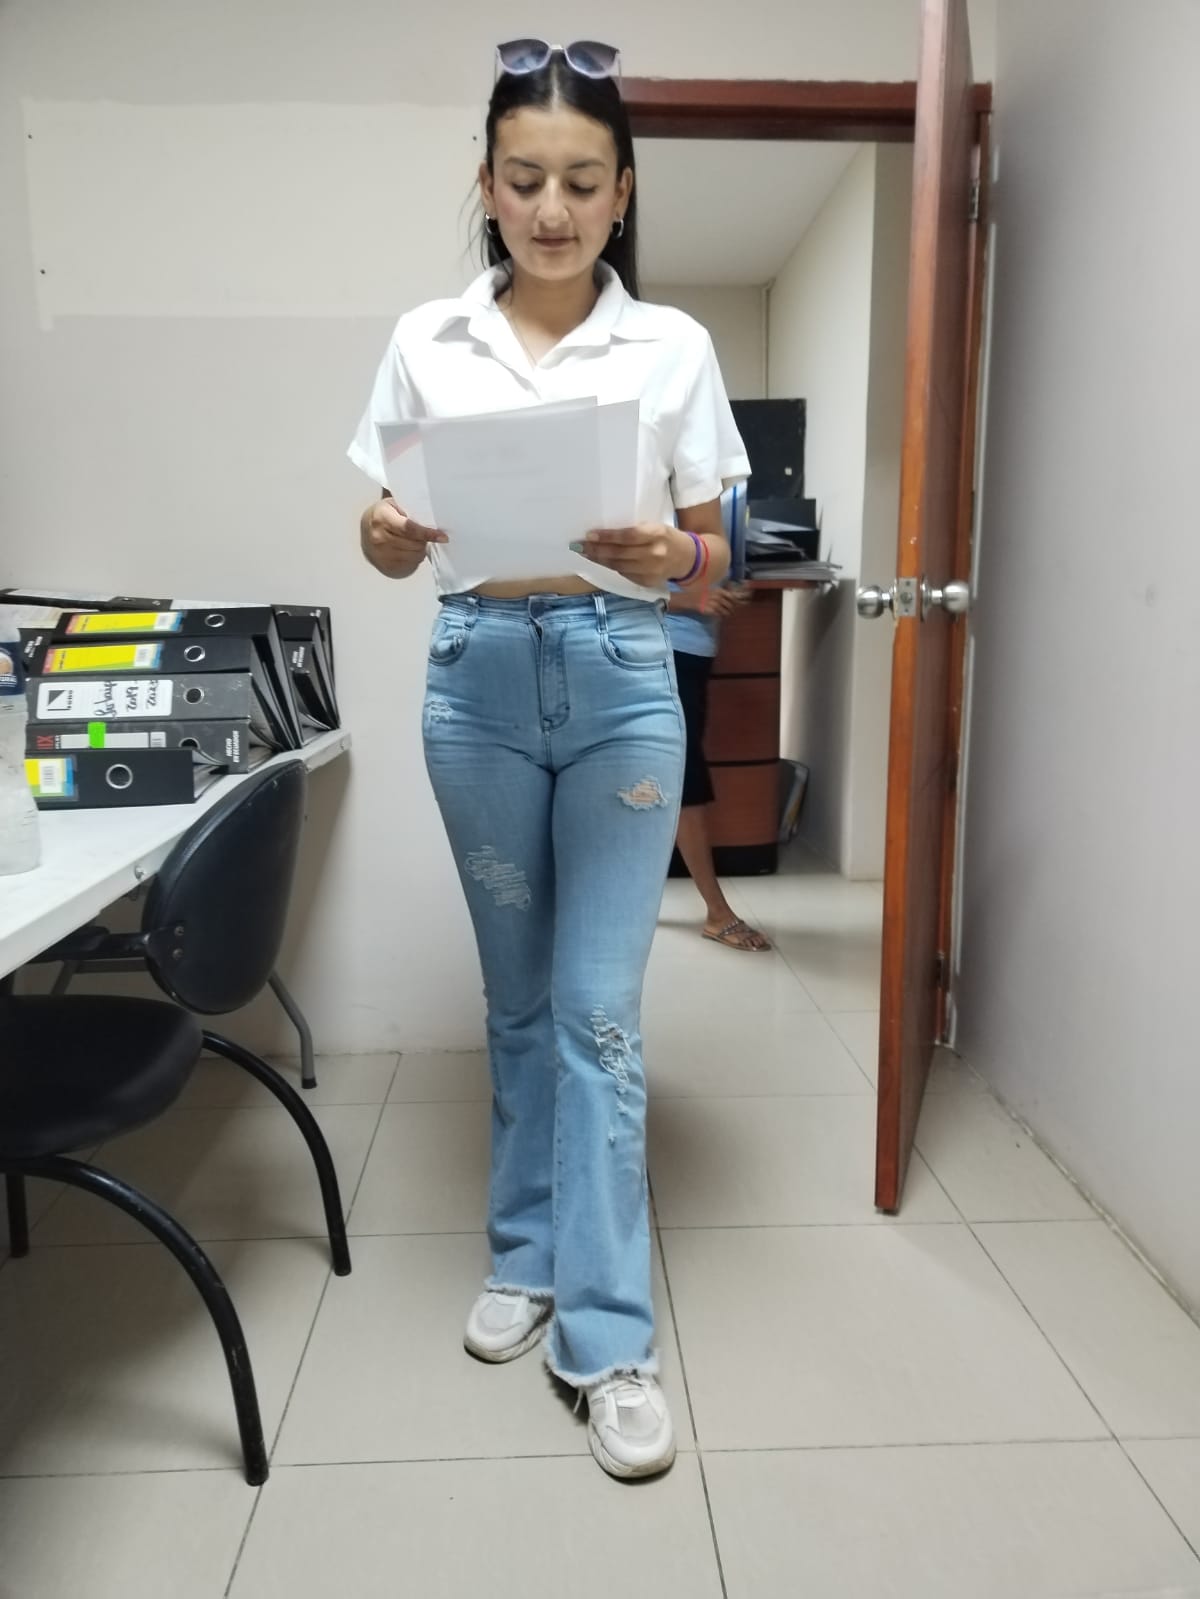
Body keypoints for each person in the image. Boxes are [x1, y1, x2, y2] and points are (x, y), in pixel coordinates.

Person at [349, 39, 749, 1481]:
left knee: (598, 1014)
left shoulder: (672, 346)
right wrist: (383, 534)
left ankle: (611, 1334)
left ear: (624, 191)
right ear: (488, 184)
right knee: (517, 1001)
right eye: (525, 179)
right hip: (475, 681)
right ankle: (523, 1251)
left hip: (621, 675)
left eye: (583, 181)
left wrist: (670, 554)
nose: (553, 209)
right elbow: (387, 537)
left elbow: (722, 558)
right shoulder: (427, 339)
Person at [666, 576, 772, 951]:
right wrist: (689, 600)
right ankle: (717, 913)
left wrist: (730, 589)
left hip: (693, 649)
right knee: (684, 777)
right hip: (659, 650)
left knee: (664, 776)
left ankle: (618, 897)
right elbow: (605, 587)